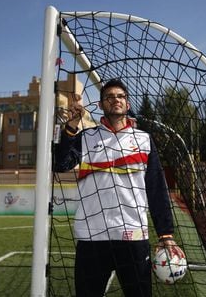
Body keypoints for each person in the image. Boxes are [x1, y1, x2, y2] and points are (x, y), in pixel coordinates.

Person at [54, 78, 185, 297]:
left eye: (120, 96)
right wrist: (72, 125)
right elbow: (60, 164)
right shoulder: (86, 137)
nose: (115, 99)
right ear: (101, 104)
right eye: (109, 97)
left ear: (128, 104)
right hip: (92, 237)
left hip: (133, 236)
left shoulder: (144, 139)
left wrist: (166, 234)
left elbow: (156, 189)